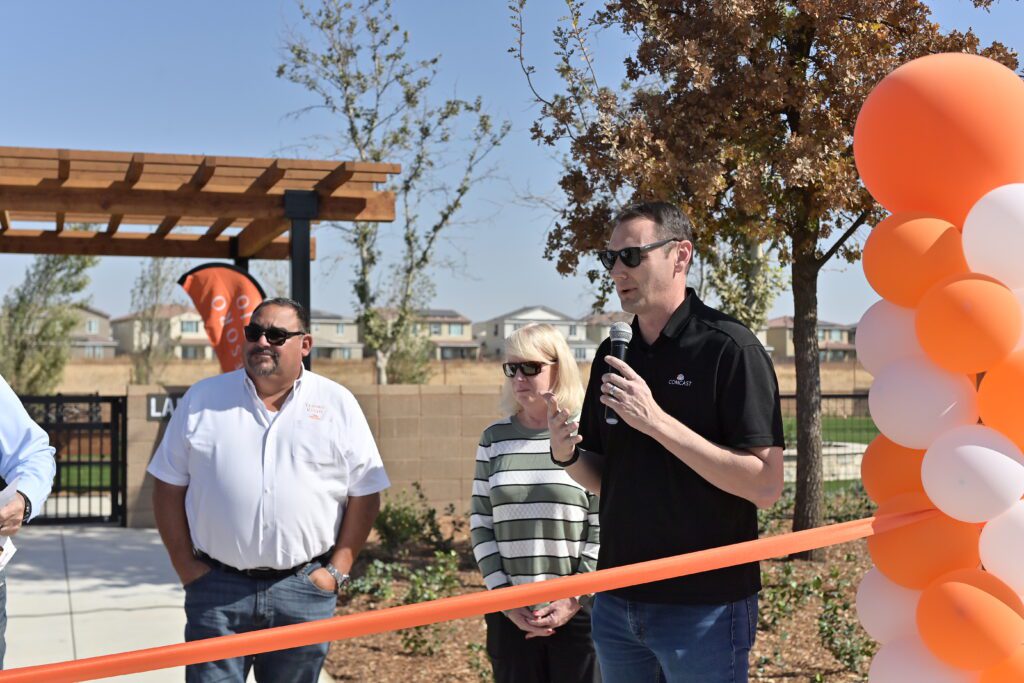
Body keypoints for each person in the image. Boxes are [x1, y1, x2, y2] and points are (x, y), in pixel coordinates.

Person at [546, 202, 785, 683]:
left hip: (703, 608)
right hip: (617, 601)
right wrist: (567, 455)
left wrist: (657, 421)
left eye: (631, 255)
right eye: (609, 258)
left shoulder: (730, 349)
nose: (617, 270)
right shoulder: (615, 353)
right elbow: (607, 479)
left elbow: (765, 485)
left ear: (680, 256)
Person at [148, 297, 389, 683]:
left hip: (303, 591)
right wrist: (186, 568)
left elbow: (367, 492)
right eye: (254, 332)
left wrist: (335, 573)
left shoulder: (337, 404)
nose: (263, 341)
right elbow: (167, 485)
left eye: (277, 335)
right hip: (217, 592)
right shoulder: (203, 400)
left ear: (304, 345)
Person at [471, 323, 602, 683]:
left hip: (578, 614)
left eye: (531, 367)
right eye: (511, 368)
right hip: (510, 614)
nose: (519, 377)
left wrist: (574, 598)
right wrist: (506, 599)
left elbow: (602, 523)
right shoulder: (493, 439)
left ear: (559, 368)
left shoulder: (584, 434)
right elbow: (481, 524)